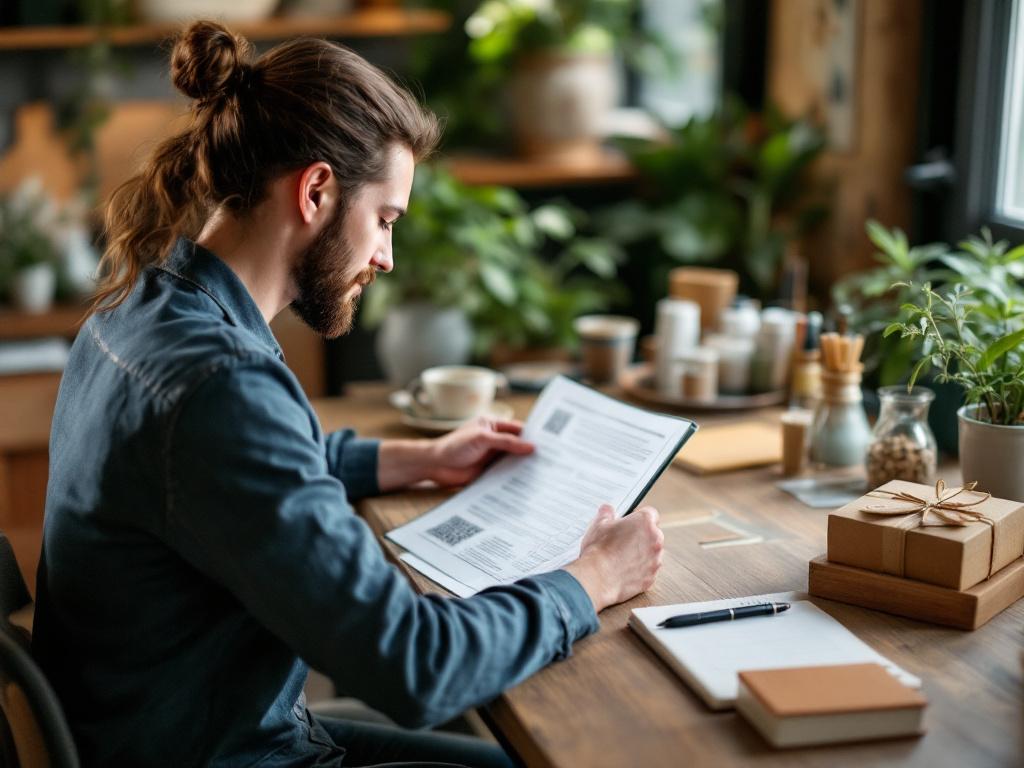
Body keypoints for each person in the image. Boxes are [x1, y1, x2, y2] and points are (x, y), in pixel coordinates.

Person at [33, 20, 664, 768]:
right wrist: (593, 578)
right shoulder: (219, 386)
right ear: (316, 191)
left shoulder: (138, 307)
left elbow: (228, 475)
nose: (386, 256)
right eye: (385, 220)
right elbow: (416, 665)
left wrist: (413, 459)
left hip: (175, 731)